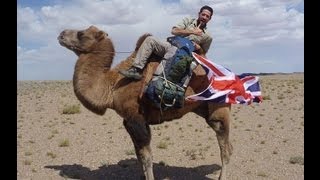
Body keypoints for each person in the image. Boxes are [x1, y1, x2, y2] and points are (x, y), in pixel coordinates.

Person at [119, 5, 213, 80]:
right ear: (199, 14)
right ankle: (136, 69)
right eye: (203, 14)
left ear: (210, 19)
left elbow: (203, 54)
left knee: (171, 56)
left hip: (184, 54)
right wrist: (192, 31)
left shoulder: (208, 37)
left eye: (207, 16)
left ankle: (157, 82)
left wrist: (198, 47)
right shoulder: (188, 20)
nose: (204, 17)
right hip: (171, 44)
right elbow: (174, 31)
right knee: (150, 39)